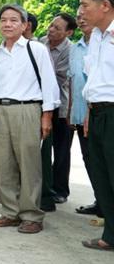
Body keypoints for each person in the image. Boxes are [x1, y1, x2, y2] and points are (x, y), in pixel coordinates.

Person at [0, 4, 59, 234]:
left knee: (29, 164)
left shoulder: (36, 49)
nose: (8, 24)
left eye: (14, 20)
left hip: (28, 110)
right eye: (4, 20)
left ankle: (32, 215)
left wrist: (46, 115)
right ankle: (9, 212)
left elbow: (49, 84)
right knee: (3, 164)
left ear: (25, 25)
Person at [78, 0, 114, 250]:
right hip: (98, 112)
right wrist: (90, 110)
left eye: (85, 5)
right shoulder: (97, 38)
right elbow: (94, 79)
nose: (81, 11)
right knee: (102, 177)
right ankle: (110, 236)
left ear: (105, 6)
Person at [40, 13, 76, 210]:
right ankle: (44, 187)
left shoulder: (71, 51)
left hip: (62, 108)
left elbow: (56, 77)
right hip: (43, 106)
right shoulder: (41, 43)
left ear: (68, 32)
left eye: (57, 28)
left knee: (62, 150)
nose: (51, 30)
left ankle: (60, 190)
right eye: (51, 25)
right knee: (43, 149)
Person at [69, 10, 100, 217]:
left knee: (105, 159)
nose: (81, 19)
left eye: (84, 13)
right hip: (80, 113)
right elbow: (73, 81)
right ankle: (101, 200)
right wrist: (71, 111)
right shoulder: (75, 49)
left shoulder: (104, 42)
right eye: (78, 16)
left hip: (101, 110)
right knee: (89, 157)